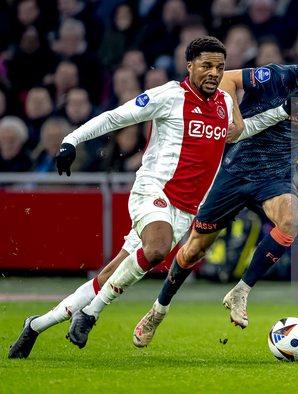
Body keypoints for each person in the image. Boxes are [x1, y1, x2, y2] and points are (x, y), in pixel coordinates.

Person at [8, 36, 241, 358]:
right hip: (153, 190)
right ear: (189, 66)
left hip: (186, 210)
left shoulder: (225, 105)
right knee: (157, 249)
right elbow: (115, 117)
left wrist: (281, 114)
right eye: (206, 66)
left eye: (219, 67)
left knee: (109, 276)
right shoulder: (169, 95)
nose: (214, 73)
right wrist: (71, 140)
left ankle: (35, 325)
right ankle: (91, 313)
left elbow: (239, 133)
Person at [132, 38, 298, 347]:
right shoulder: (275, 76)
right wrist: (235, 117)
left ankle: (240, 292)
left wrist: (297, 148)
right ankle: (158, 309)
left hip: (274, 176)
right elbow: (228, 79)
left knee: (292, 219)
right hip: (234, 171)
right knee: (194, 250)